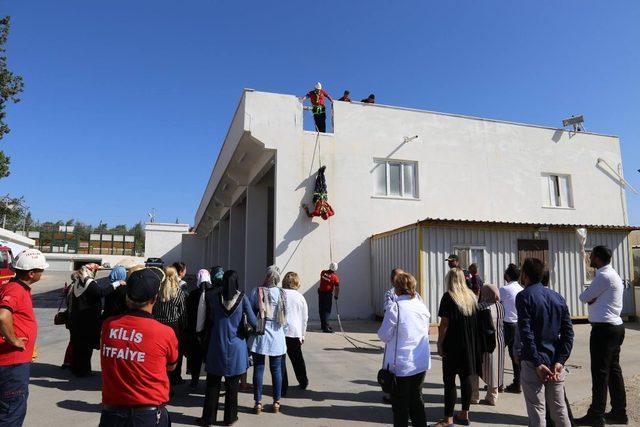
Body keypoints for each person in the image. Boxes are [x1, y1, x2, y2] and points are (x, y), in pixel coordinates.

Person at [99, 268, 178, 427]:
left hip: (111, 414)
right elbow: (171, 366)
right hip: (147, 415)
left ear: (127, 296)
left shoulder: (109, 325)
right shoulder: (164, 332)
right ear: (155, 298)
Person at [517, 258, 574, 427]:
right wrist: (560, 360)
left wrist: (537, 362)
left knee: (537, 410)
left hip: (533, 362)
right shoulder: (557, 297)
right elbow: (568, 333)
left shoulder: (524, 296)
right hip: (554, 359)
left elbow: (526, 333)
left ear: (525, 275)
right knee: (559, 409)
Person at [575, 246, 627, 426]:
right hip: (615, 327)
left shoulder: (603, 276)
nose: (589, 258)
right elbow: (590, 297)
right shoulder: (612, 275)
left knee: (600, 372)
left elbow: (584, 297)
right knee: (613, 370)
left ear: (597, 258)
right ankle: (620, 411)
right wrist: (592, 298)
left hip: (604, 330)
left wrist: (592, 298)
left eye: (592, 255)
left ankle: (596, 414)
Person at [201, 270, 257, 426]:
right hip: (236, 347)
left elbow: (207, 318)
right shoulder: (243, 298)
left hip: (216, 345)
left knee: (213, 384)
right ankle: (230, 417)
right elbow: (254, 322)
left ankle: (208, 418)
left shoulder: (213, 297)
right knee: (232, 386)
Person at [0, 249, 48, 426]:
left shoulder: (18, 288)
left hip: (13, 363)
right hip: (11, 365)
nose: (43, 273)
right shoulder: (15, 290)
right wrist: (14, 340)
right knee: (11, 414)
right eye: (41, 270)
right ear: (31, 273)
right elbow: (3, 316)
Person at [378, 272, 430, 427]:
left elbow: (384, 335)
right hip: (420, 362)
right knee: (417, 402)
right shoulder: (421, 305)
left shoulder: (396, 308)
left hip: (401, 366)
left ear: (397, 288)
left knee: (400, 407)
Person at [435, 268, 481, 427]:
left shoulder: (448, 297)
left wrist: (439, 343)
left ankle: (448, 419)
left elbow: (444, 325)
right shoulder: (472, 297)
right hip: (470, 344)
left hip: (452, 344)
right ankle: (464, 414)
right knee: (466, 378)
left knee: (449, 381)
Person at [69, 263, 123, 377]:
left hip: (77, 318)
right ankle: (83, 371)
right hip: (87, 319)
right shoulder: (89, 283)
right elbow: (101, 293)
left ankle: (77, 369)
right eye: (95, 271)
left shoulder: (79, 282)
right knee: (86, 347)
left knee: (78, 346)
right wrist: (117, 284)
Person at [249, 265, 287, 415]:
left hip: (260, 331)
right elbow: (286, 316)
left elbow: (252, 310)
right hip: (277, 332)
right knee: (276, 369)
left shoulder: (257, 291)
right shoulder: (282, 293)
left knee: (259, 368)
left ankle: (258, 403)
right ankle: (276, 402)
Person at [152, 266, 187, 388]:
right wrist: (183, 328)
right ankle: (173, 380)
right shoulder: (178, 293)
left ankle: (159, 379)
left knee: (159, 354)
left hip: (158, 325)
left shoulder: (158, 290)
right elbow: (182, 313)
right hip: (173, 326)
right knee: (174, 355)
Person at [188, 267, 222, 389]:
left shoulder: (192, 294)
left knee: (196, 358)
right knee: (209, 358)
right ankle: (209, 381)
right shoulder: (215, 294)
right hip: (210, 331)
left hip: (196, 332)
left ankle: (194, 380)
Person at [281, 272, 309, 396]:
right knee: (297, 359)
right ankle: (303, 381)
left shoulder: (281, 294)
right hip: (295, 332)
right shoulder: (300, 297)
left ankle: (283, 385)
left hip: (281, 332)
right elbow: (304, 318)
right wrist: (303, 335)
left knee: (281, 360)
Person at [477, 284, 505, 405]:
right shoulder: (500, 306)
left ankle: (474, 395)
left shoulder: (480, 307)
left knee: (477, 368)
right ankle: (492, 396)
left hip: (483, 342)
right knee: (495, 369)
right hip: (498, 340)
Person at [499, 263, 523, 393]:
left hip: (506, 325)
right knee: (515, 356)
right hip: (518, 325)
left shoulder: (504, 289)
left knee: (499, 354)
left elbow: (498, 305)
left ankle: (498, 384)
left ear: (507, 275)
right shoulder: (521, 289)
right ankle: (517, 383)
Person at [318, 262, 339, 333]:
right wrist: (336, 296)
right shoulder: (335, 277)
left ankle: (323, 325)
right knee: (327, 311)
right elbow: (337, 288)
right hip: (327, 295)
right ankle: (326, 327)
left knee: (321, 310)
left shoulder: (323, 272)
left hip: (321, 294)